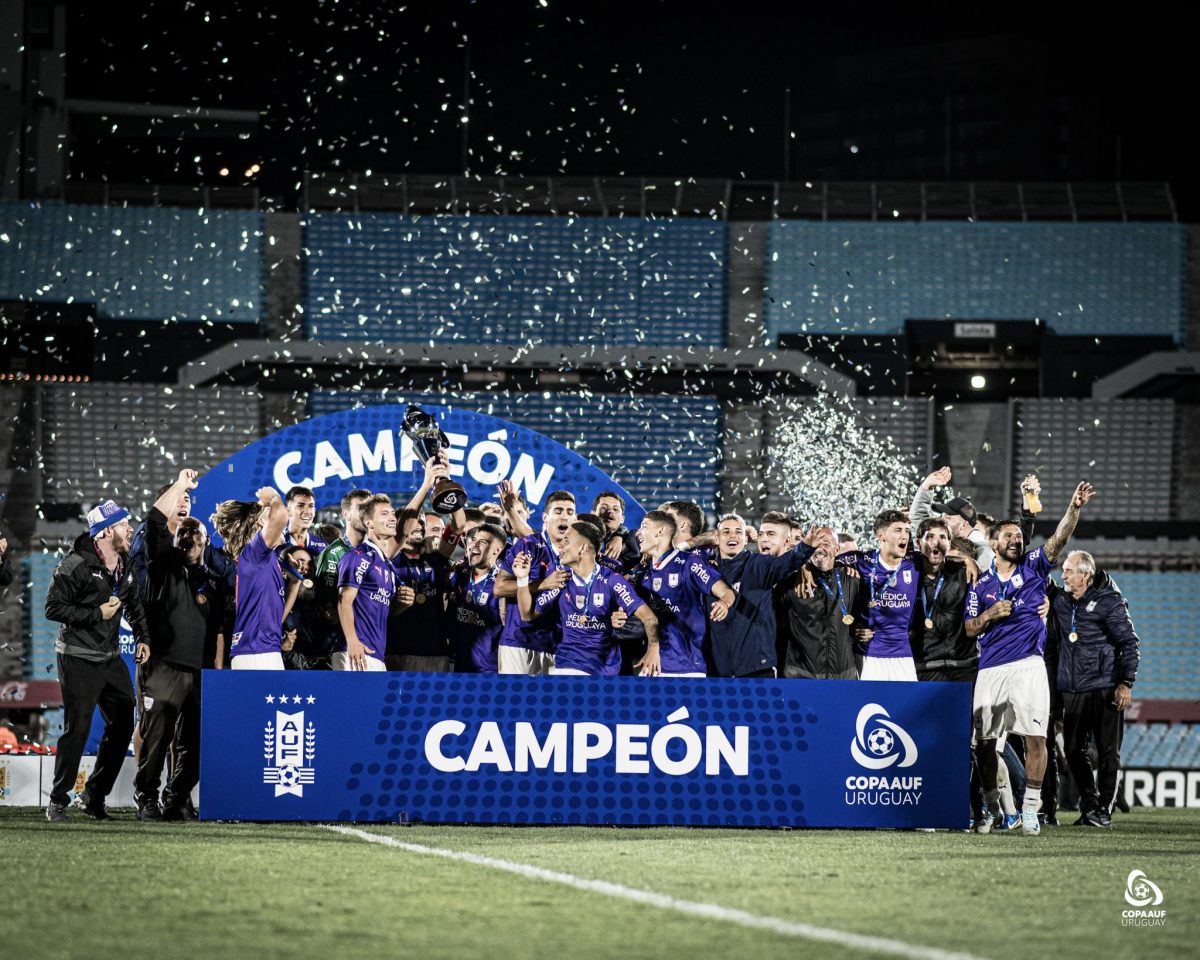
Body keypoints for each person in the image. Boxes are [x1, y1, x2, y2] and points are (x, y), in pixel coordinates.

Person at [965, 480, 1095, 836]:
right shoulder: (979, 587)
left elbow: (1059, 539)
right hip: (991, 669)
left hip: (1029, 666)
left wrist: (1074, 509)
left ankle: (1032, 809)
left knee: (1036, 738)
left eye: (1018, 537)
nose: (1015, 540)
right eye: (1007, 536)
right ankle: (992, 807)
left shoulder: (1034, 568)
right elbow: (969, 629)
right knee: (986, 744)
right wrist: (991, 614)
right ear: (993, 544)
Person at [43, 500, 147, 822]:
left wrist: (143, 637)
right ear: (105, 531)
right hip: (77, 657)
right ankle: (58, 801)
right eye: (123, 524)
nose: (129, 528)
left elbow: (133, 604)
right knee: (78, 728)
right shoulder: (75, 564)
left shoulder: (125, 562)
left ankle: (94, 796)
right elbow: (53, 608)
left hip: (109, 658)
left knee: (123, 722)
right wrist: (95, 614)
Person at [134, 469, 213, 821]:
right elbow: (153, 523)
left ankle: (177, 796)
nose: (185, 504)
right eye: (179, 502)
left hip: (198, 668)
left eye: (189, 501)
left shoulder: (204, 572)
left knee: (193, 742)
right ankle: (146, 796)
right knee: (158, 736)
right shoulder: (159, 557)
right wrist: (180, 486)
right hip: (164, 661)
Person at [1052, 549, 1140, 829]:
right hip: (1073, 689)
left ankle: (1104, 810)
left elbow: (1129, 643)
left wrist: (1125, 683)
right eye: (1063, 570)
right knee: (1074, 748)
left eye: (1068, 570)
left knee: (1107, 752)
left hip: (1104, 687)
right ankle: (1089, 803)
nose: (1063, 575)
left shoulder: (1109, 601)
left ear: (1085, 574)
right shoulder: (1061, 601)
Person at [514, 521, 660, 676]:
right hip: (567, 662)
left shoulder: (612, 580)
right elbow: (527, 614)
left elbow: (649, 618)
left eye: (567, 541)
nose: (561, 545)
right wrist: (522, 580)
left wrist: (653, 648)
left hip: (602, 666)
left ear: (583, 548)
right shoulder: (561, 579)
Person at [706, 514, 828, 677]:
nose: (733, 535)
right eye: (726, 532)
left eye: (738, 532)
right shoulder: (706, 570)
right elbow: (678, 551)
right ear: (717, 538)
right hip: (718, 671)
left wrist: (806, 548)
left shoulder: (759, 565)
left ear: (745, 539)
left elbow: (786, 562)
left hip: (757, 669)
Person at [634, 510, 736, 677]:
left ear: (660, 531)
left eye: (644, 526)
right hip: (653, 665)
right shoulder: (644, 574)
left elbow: (726, 592)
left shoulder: (690, 563)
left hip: (687, 667)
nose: (638, 533)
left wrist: (724, 603)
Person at [492, 490, 578, 675]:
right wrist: (543, 585)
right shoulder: (528, 544)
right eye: (558, 511)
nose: (564, 516)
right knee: (514, 701)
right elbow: (499, 588)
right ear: (545, 517)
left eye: (570, 512)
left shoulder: (578, 552)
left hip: (559, 645)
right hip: (520, 640)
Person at [838, 510, 922, 681]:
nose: (904, 536)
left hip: (903, 655)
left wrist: (969, 561)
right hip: (868, 654)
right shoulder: (861, 561)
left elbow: (945, 560)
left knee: (906, 706)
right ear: (881, 535)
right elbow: (823, 563)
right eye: (898, 530)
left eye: (907, 530)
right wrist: (806, 571)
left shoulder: (915, 562)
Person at [213, 486, 289, 669]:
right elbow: (281, 517)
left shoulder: (265, 558)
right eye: (268, 517)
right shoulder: (255, 553)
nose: (282, 529)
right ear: (261, 526)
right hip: (256, 652)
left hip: (261, 650)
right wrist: (273, 497)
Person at [778, 526, 861, 679]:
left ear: (836, 550)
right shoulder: (793, 581)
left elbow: (860, 615)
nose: (820, 548)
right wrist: (801, 566)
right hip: (801, 675)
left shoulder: (852, 580)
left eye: (826, 544)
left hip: (843, 675)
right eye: (816, 544)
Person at [335, 494, 402, 672]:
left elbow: (386, 609)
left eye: (393, 513)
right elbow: (344, 600)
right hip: (355, 651)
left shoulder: (386, 564)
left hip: (376, 654)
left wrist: (403, 603)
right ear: (369, 523)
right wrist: (352, 641)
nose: (392, 518)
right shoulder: (358, 556)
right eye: (384, 514)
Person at [314, 489, 372, 664]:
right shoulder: (334, 553)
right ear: (345, 514)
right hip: (344, 646)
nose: (365, 512)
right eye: (360, 507)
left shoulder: (376, 553)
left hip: (374, 643)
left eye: (369, 508)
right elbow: (327, 606)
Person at [448, 523, 507, 673]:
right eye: (473, 540)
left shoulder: (504, 582)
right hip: (459, 665)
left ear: (497, 550)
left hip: (491, 669)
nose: (474, 545)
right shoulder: (459, 575)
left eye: (483, 542)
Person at [593, 491, 641, 572]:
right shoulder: (580, 536)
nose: (610, 511)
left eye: (615, 509)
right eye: (604, 507)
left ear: (622, 519)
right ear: (593, 514)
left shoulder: (632, 541)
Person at [283, 485, 328, 552]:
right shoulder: (274, 543)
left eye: (311, 506)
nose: (307, 511)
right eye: (300, 506)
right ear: (288, 511)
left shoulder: (323, 547)